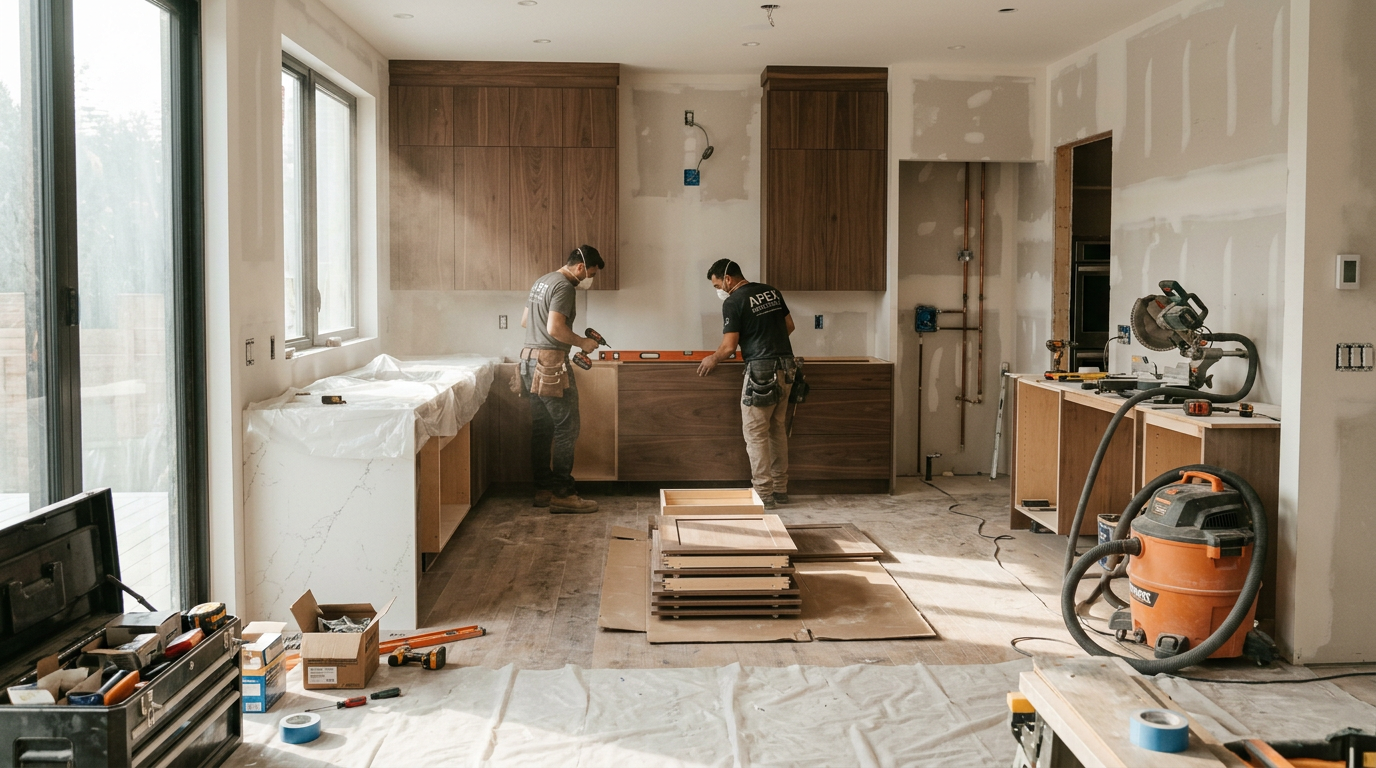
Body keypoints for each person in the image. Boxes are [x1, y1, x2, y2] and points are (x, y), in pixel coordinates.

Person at [697, 259, 796, 510]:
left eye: (717, 284)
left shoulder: (734, 301)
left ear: (728, 279)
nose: (718, 289)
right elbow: (789, 327)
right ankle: (781, 489)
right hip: (787, 366)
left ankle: (764, 494)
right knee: (777, 429)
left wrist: (713, 358)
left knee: (755, 433)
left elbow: (729, 347)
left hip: (761, 369)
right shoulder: (772, 291)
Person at [518, 245, 605, 513]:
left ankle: (543, 489)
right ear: (580, 267)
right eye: (590, 273)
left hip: (528, 361)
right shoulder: (565, 287)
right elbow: (554, 328)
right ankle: (563, 494)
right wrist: (582, 342)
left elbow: (525, 321)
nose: (589, 279)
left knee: (543, 428)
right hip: (550, 363)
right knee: (567, 427)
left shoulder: (541, 281)